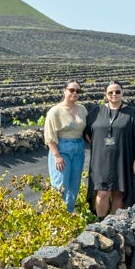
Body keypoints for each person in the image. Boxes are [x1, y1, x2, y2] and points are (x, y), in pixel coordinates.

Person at [84, 80, 135, 219]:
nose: (114, 94)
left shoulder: (132, 113)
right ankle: (101, 222)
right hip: (101, 160)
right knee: (102, 192)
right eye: (110, 92)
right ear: (105, 94)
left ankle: (115, 222)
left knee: (119, 192)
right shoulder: (97, 111)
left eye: (117, 91)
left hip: (123, 158)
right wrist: (98, 145)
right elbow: (87, 132)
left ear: (122, 93)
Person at [44, 80, 87, 212]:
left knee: (74, 186)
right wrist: (56, 156)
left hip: (79, 148)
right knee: (60, 185)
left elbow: (87, 131)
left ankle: (68, 216)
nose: (75, 93)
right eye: (71, 90)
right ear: (64, 90)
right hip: (62, 148)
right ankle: (56, 219)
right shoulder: (55, 111)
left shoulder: (82, 109)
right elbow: (49, 136)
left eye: (78, 91)